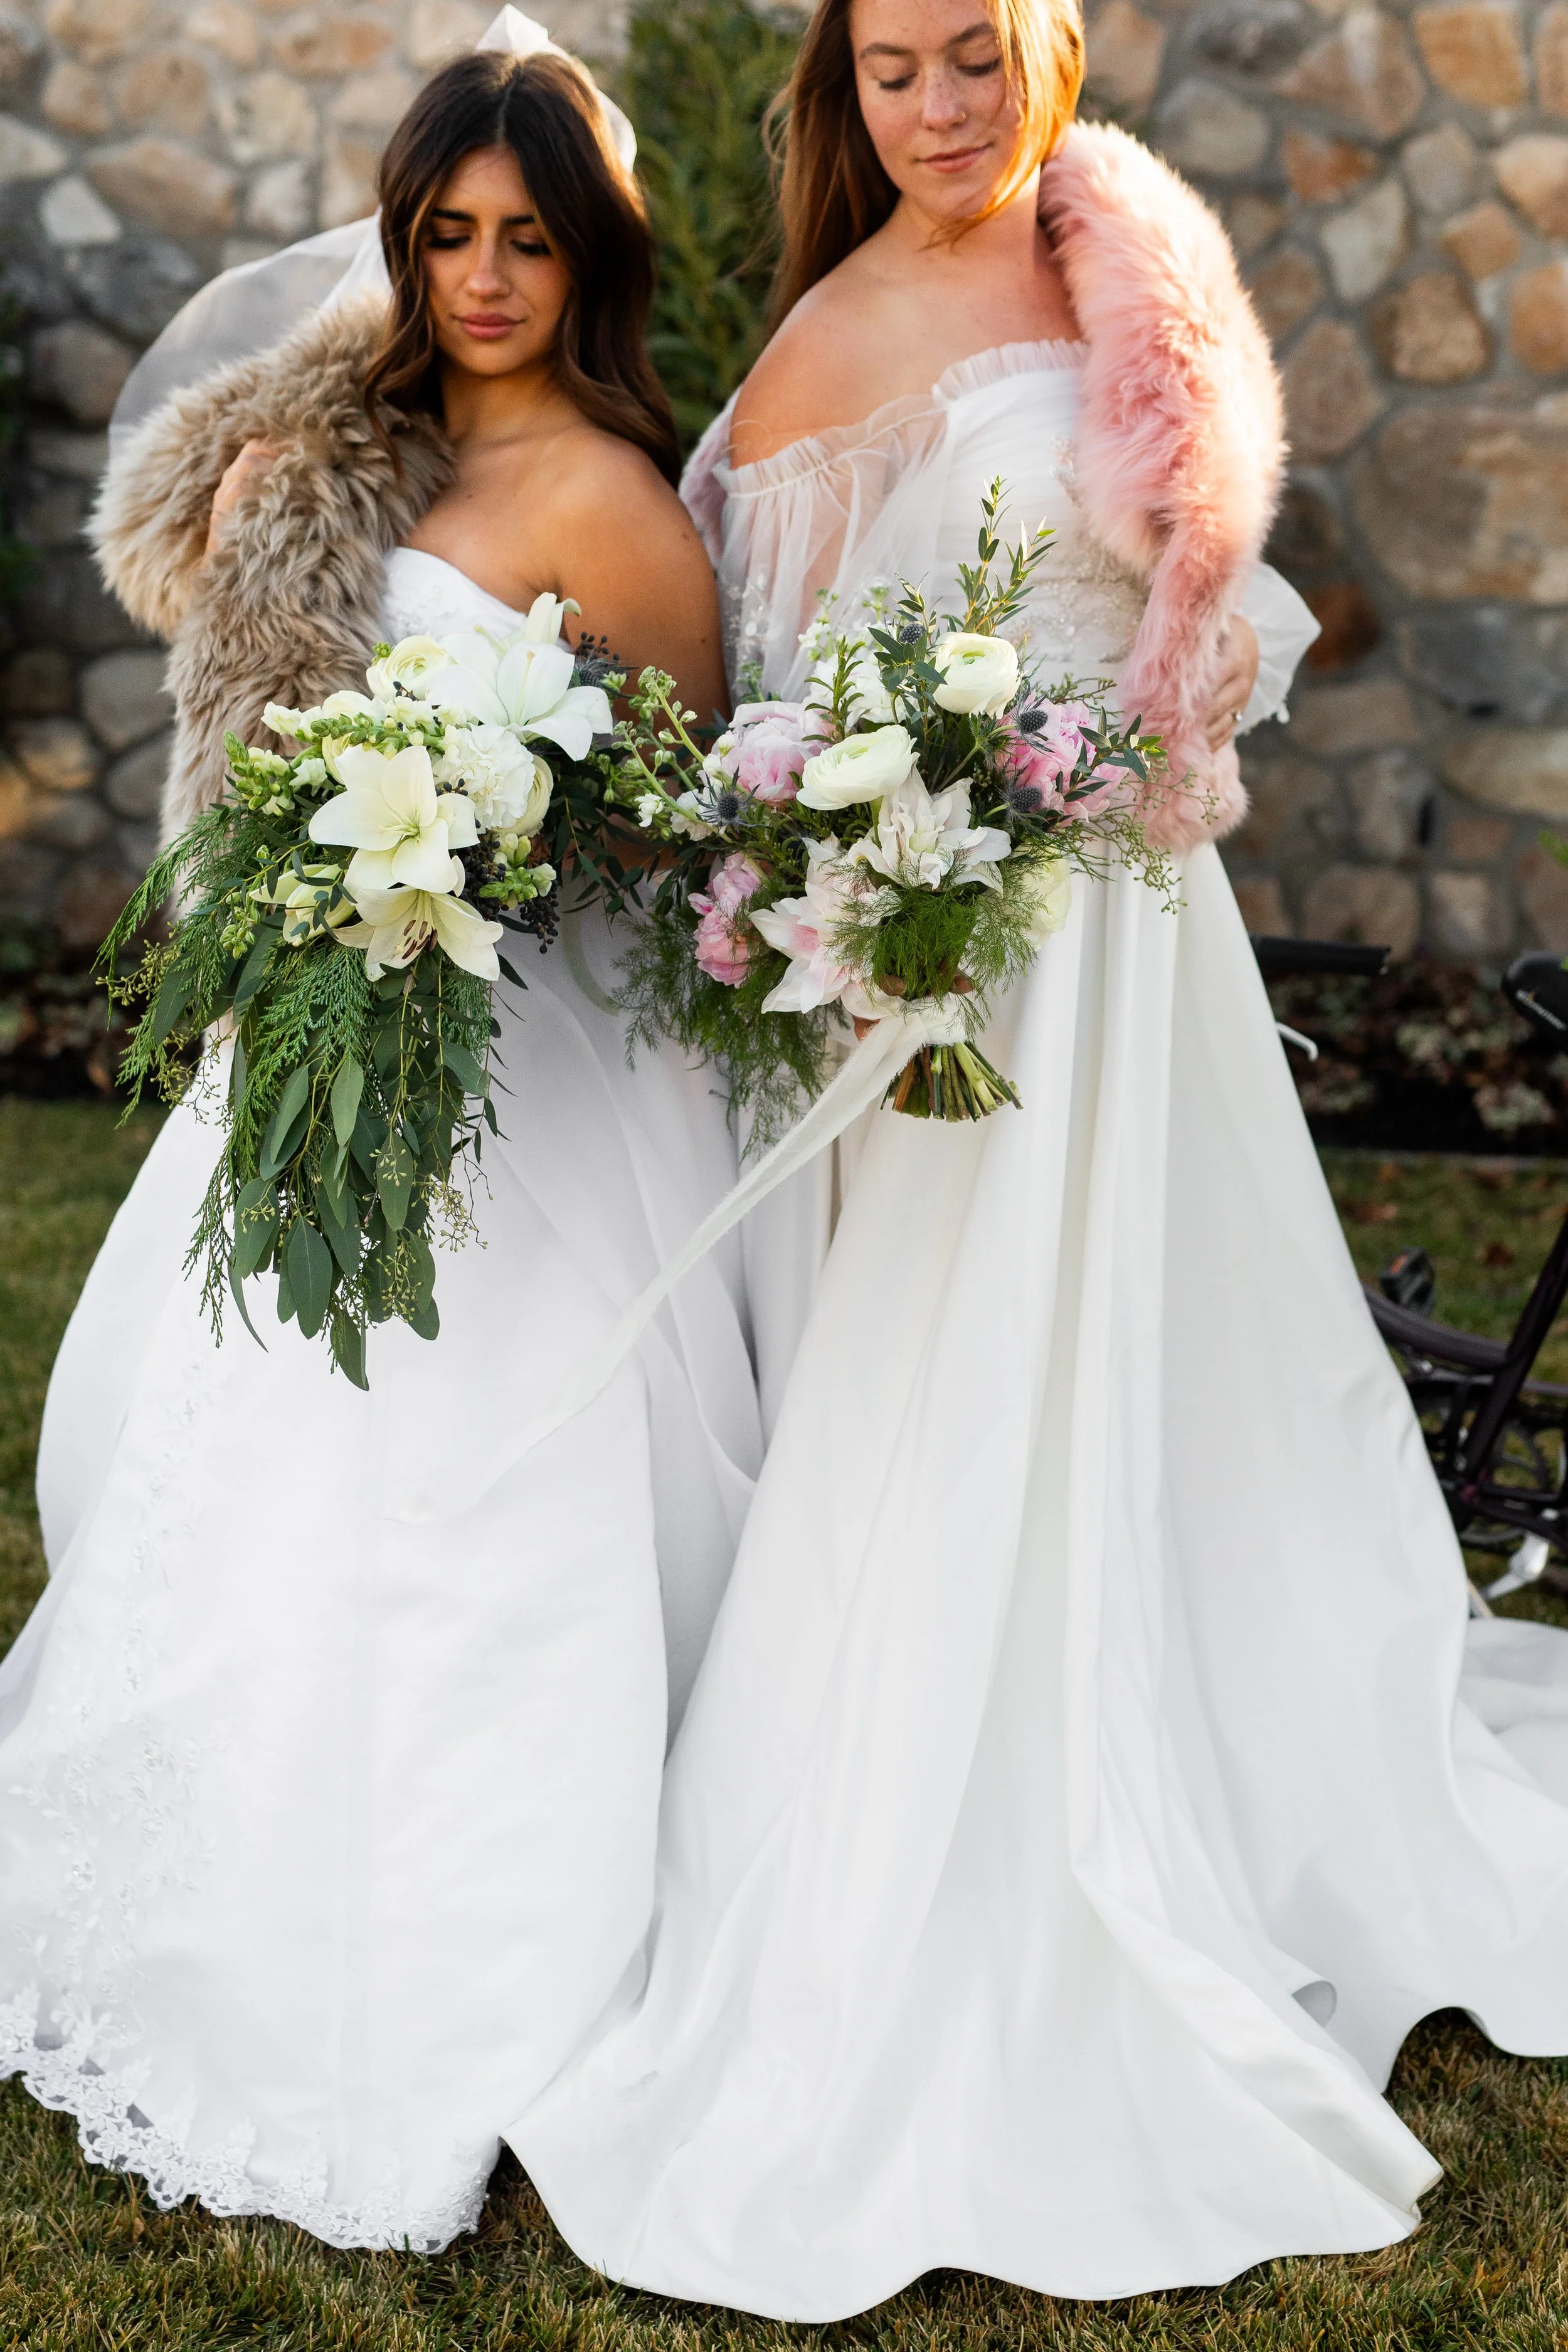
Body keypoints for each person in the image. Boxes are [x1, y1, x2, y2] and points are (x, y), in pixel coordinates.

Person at [509, 0, 1568, 2318]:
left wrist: (1128, 749)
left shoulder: (1125, 262)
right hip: (954, 955)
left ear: (1050, 57)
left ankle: (1216, 1749)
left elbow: (1183, 590)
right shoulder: (839, 322)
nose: (940, 111)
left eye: (974, 59)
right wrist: (880, 830)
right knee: (955, 1379)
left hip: (1129, 942)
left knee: (1175, 1374)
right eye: (894, 70)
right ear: (847, 89)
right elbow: (755, 655)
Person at [0, 28, 760, 2250]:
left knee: (470, 1515)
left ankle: (473, 1975)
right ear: (402, 241)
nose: (486, 274)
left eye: (530, 238)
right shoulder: (333, 460)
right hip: (318, 1049)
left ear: (586, 254)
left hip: (525, 1096)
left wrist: (507, 854)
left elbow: (674, 857)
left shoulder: (625, 514)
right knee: (241, 1465)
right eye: (449, 233)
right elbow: (245, 743)